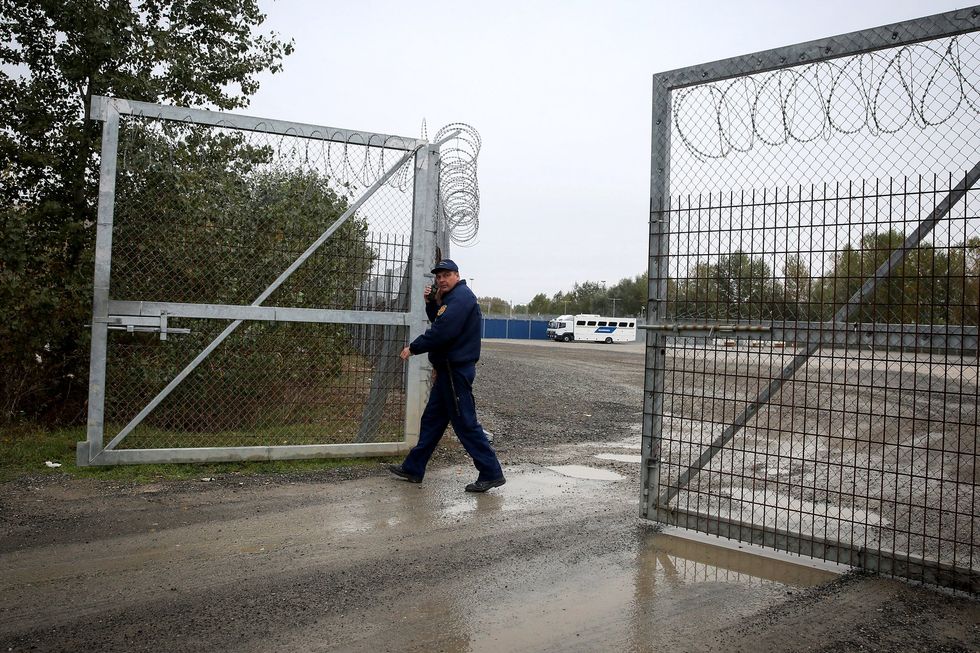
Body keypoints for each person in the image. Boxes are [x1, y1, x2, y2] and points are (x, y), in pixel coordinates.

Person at [388, 259, 506, 492]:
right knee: (432, 420)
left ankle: (491, 472)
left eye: (446, 275)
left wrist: (414, 347)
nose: (441, 280)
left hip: (456, 372)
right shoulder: (451, 298)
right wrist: (431, 302)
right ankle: (414, 467)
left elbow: (443, 332)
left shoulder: (462, 298)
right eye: (439, 276)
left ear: (457, 275)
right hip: (446, 371)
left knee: (466, 424)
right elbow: (439, 319)